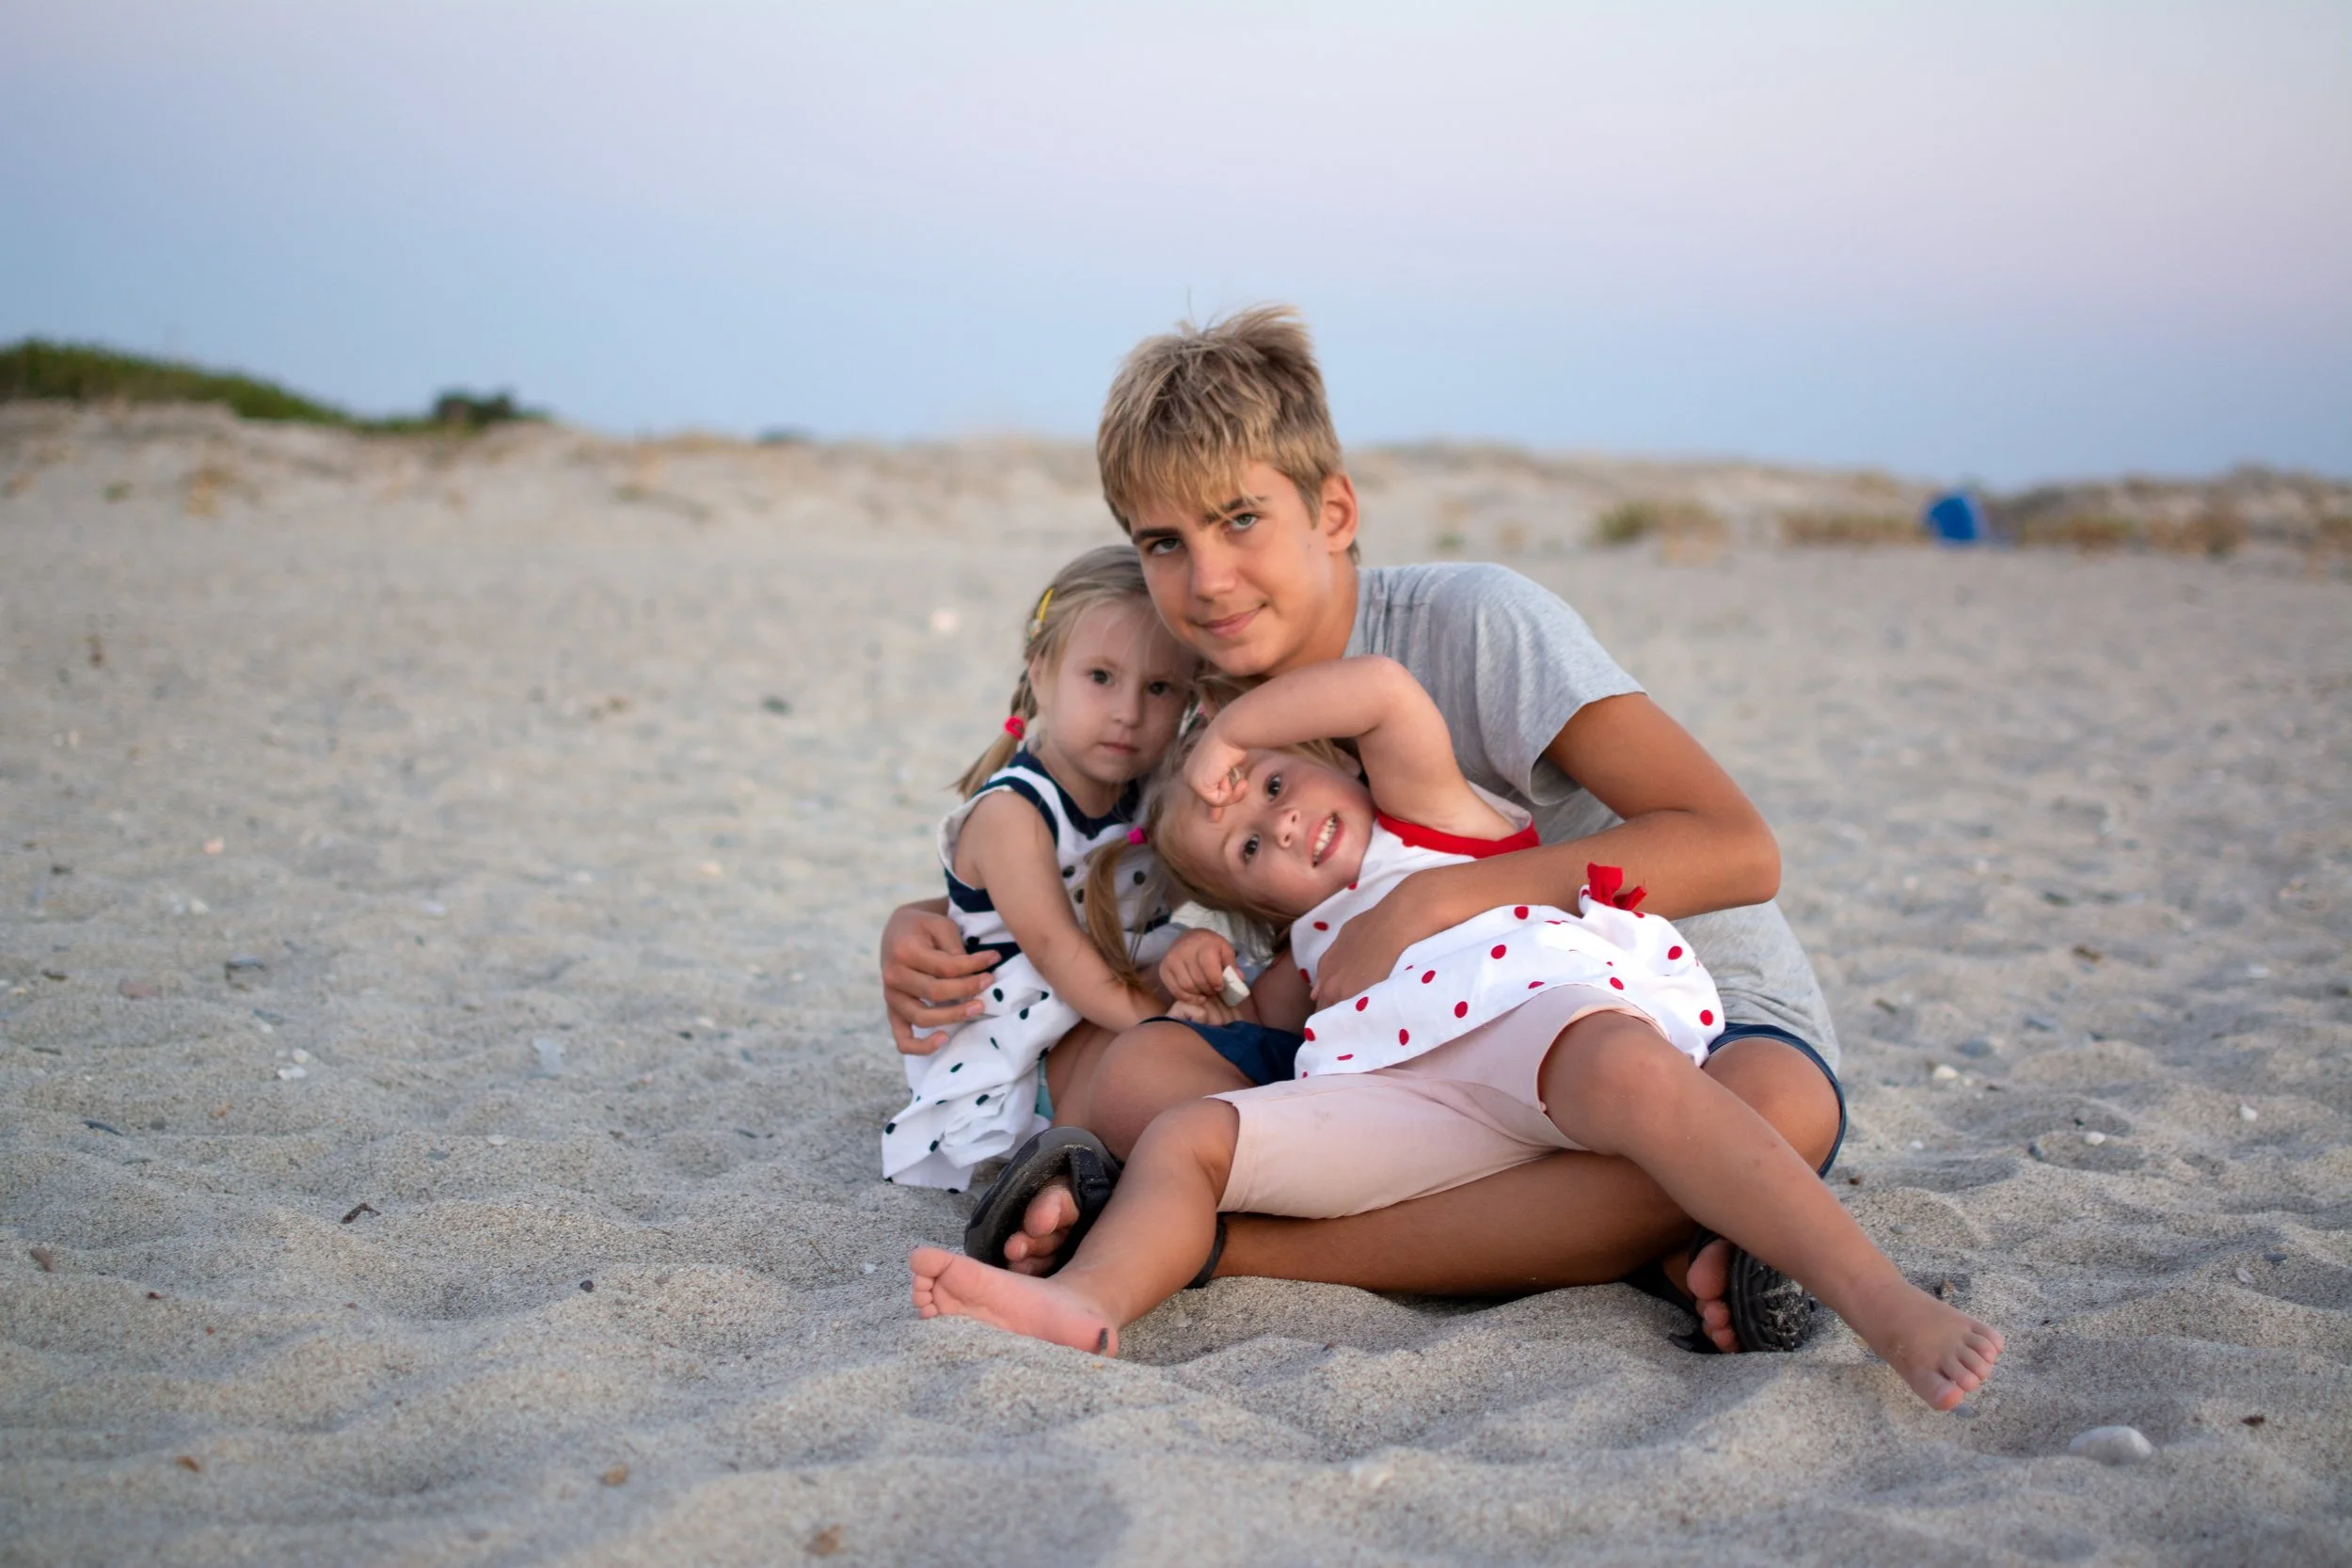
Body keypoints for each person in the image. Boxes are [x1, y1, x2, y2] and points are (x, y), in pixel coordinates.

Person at [879, 307, 1847, 1353]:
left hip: (1670, 1017)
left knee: (1771, 1114)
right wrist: (929, 917)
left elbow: (1736, 847)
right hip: (1400, 1054)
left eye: (1240, 518)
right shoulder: (1184, 716)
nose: (1208, 579)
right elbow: (1061, 861)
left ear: (1333, 509)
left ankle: (1227, 1245)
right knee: (1132, 1085)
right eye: (1166, 541)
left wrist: (1440, 897)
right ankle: (1666, 1233)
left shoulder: (1473, 622)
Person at [913, 657, 2004, 1411]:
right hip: (1413, 1106)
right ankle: (1085, 1301)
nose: (1279, 822)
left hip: (1545, 1028)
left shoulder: (1430, 817)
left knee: (1624, 1066)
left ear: (1327, 758)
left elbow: (1384, 692)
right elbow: (1258, 1030)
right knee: (1194, 1134)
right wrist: (1205, 975)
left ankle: (1884, 1305)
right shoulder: (1305, 950)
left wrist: (1231, 732)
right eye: (1248, 846)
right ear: (1253, 898)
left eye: (1279, 783)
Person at [882, 546, 1197, 1192]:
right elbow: (1057, 950)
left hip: (1103, 1006)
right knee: (1167, 1074)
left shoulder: (1148, 792)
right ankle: (1067, 1173)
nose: (1129, 712)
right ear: (1041, 670)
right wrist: (1159, 1025)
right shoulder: (1013, 814)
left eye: (1159, 687)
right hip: (1025, 1047)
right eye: (1101, 677)